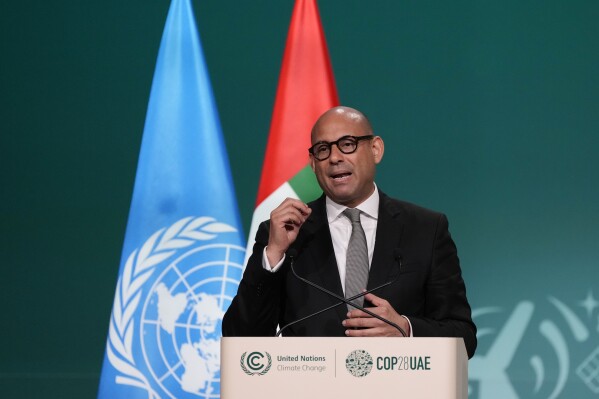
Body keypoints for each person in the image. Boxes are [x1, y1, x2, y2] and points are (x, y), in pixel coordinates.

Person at [222, 106, 477, 358]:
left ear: (375, 149)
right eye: (323, 149)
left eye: (347, 144)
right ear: (313, 163)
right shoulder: (284, 233)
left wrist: (405, 329)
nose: (334, 158)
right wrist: (273, 255)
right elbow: (239, 338)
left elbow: (463, 338)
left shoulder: (426, 229)